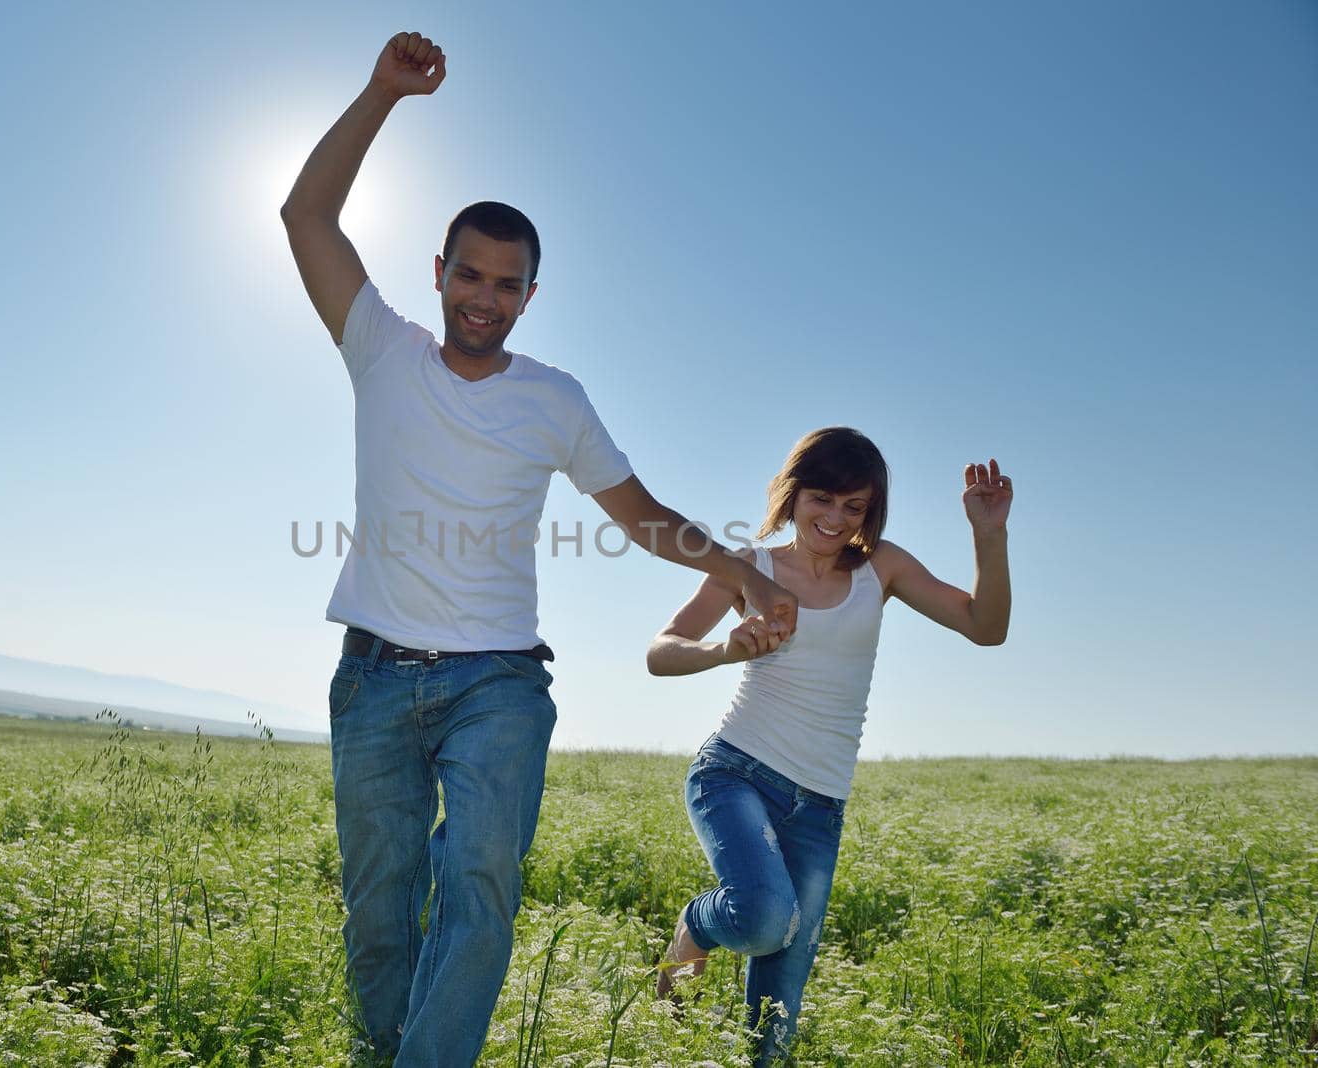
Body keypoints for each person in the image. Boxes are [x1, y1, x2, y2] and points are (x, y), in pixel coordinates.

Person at [279, 32, 801, 1067]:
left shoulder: (553, 398)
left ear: (529, 294)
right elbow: (305, 216)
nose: (483, 296)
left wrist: (738, 568)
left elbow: (641, 512)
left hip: (499, 686)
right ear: (437, 274)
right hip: (374, 678)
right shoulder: (379, 345)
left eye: (506, 284)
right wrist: (383, 92)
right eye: (467, 274)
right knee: (379, 910)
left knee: (477, 885)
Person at [647, 427, 1013, 1064]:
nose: (836, 519)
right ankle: (694, 930)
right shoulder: (750, 567)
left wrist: (989, 535)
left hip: (820, 804)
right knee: (762, 918)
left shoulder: (883, 568)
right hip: (736, 773)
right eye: (823, 499)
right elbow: (660, 653)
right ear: (792, 496)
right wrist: (723, 649)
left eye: (855, 507)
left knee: (779, 1014)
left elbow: (986, 628)